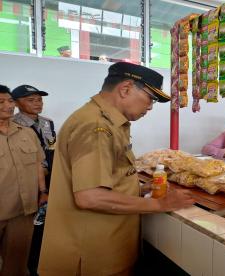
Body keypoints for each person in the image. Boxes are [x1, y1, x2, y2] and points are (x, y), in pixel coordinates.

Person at [38, 62, 194, 276]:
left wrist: (138, 188)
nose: (150, 107)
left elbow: (107, 178)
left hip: (104, 247)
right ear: (125, 89)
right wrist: (158, 204)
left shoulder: (110, 122)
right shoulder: (96, 126)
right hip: (92, 255)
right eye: (152, 98)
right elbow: (90, 197)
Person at [0, 84, 46, 276]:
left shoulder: (26, 132)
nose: (8, 106)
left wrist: (43, 192)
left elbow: (38, 165)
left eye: (10, 101)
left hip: (23, 210)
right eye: (1, 102)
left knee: (17, 262)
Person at [11, 85, 56, 276]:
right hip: (26, 182)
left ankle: (41, 261)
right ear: (16, 103)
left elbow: (52, 148)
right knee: (25, 226)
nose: (37, 103)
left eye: (39, 99)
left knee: (43, 224)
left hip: (48, 180)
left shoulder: (47, 123)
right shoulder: (13, 125)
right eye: (31, 100)